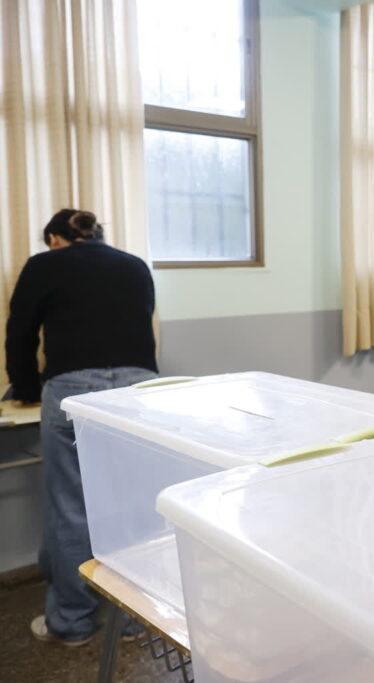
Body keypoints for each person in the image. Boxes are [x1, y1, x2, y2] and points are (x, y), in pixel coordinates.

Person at [5, 209, 158, 646]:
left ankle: (73, 622)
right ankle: (134, 621)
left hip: (74, 388)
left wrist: (27, 388)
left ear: (55, 239)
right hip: (138, 388)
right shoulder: (133, 265)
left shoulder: (44, 265)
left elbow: (20, 332)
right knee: (131, 504)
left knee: (71, 506)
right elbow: (140, 323)